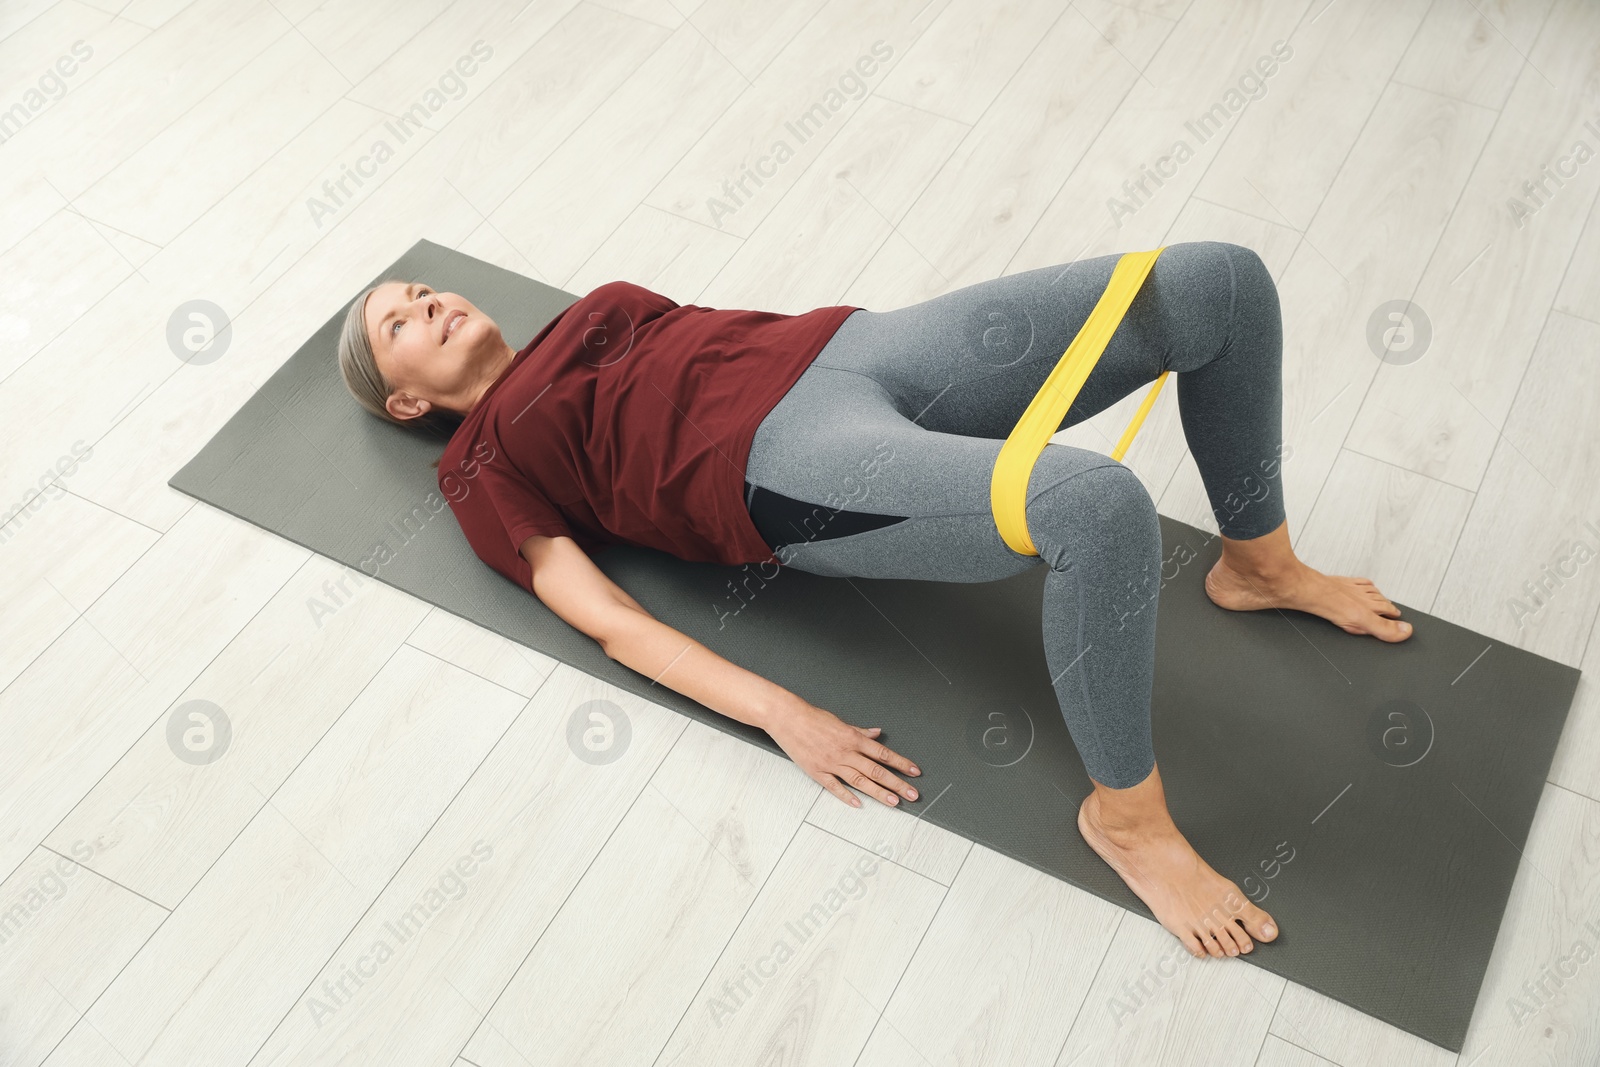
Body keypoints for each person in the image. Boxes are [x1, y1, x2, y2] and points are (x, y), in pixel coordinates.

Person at [336, 241, 1412, 961]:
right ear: (408, 399)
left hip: (851, 347)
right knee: (1096, 505)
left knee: (1215, 282)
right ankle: (1126, 819)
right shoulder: (480, 463)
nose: (427, 300)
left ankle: (1258, 564)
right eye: (399, 321)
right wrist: (776, 708)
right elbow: (605, 614)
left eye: (420, 290)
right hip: (791, 459)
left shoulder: (590, 314)